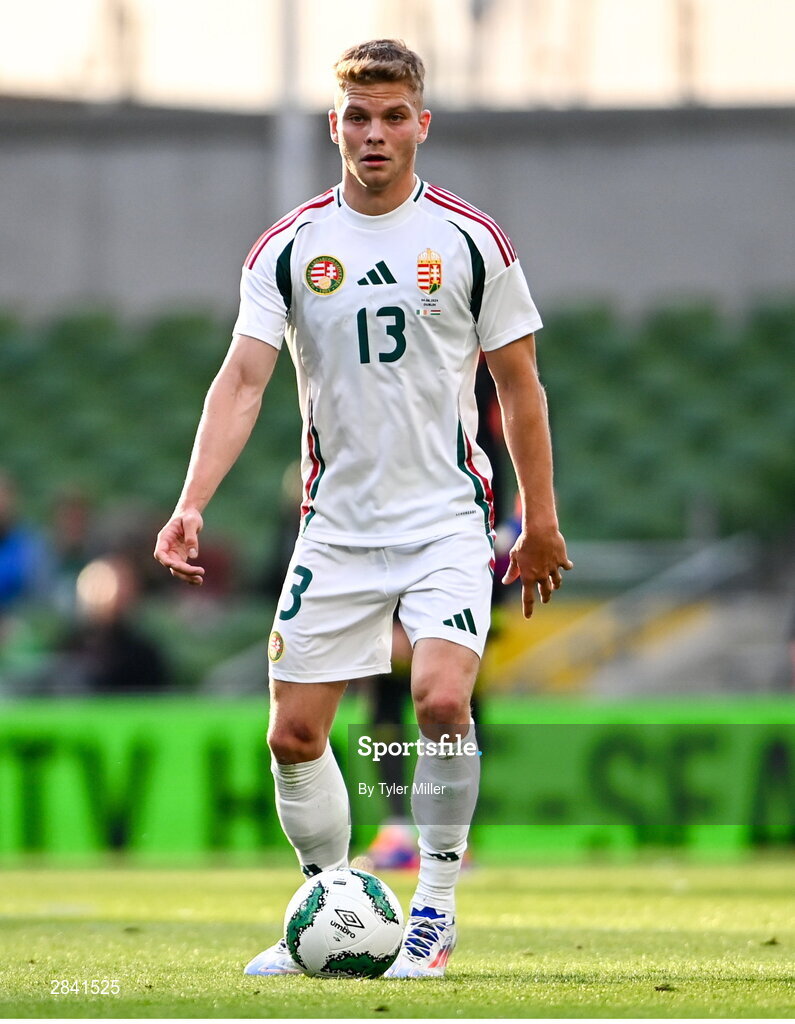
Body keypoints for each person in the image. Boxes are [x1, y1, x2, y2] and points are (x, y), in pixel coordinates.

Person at [154, 38, 571, 979]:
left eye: (392, 116)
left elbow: (522, 388)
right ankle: (328, 904)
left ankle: (434, 909)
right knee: (292, 736)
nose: (374, 133)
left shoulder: (471, 241)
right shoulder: (290, 247)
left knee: (438, 702)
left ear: (421, 123)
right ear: (333, 124)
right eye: (357, 116)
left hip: (443, 525)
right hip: (334, 529)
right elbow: (242, 384)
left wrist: (539, 520)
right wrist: (191, 504)